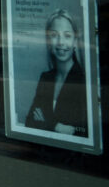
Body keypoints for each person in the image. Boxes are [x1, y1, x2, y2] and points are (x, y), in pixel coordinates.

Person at [24, 9, 88, 137]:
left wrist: (45, 121)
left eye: (67, 36)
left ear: (75, 41)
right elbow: (30, 122)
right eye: (54, 35)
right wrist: (57, 126)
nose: (61, 42)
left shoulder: (83, 80)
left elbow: (83, 131)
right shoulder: (45, 78)